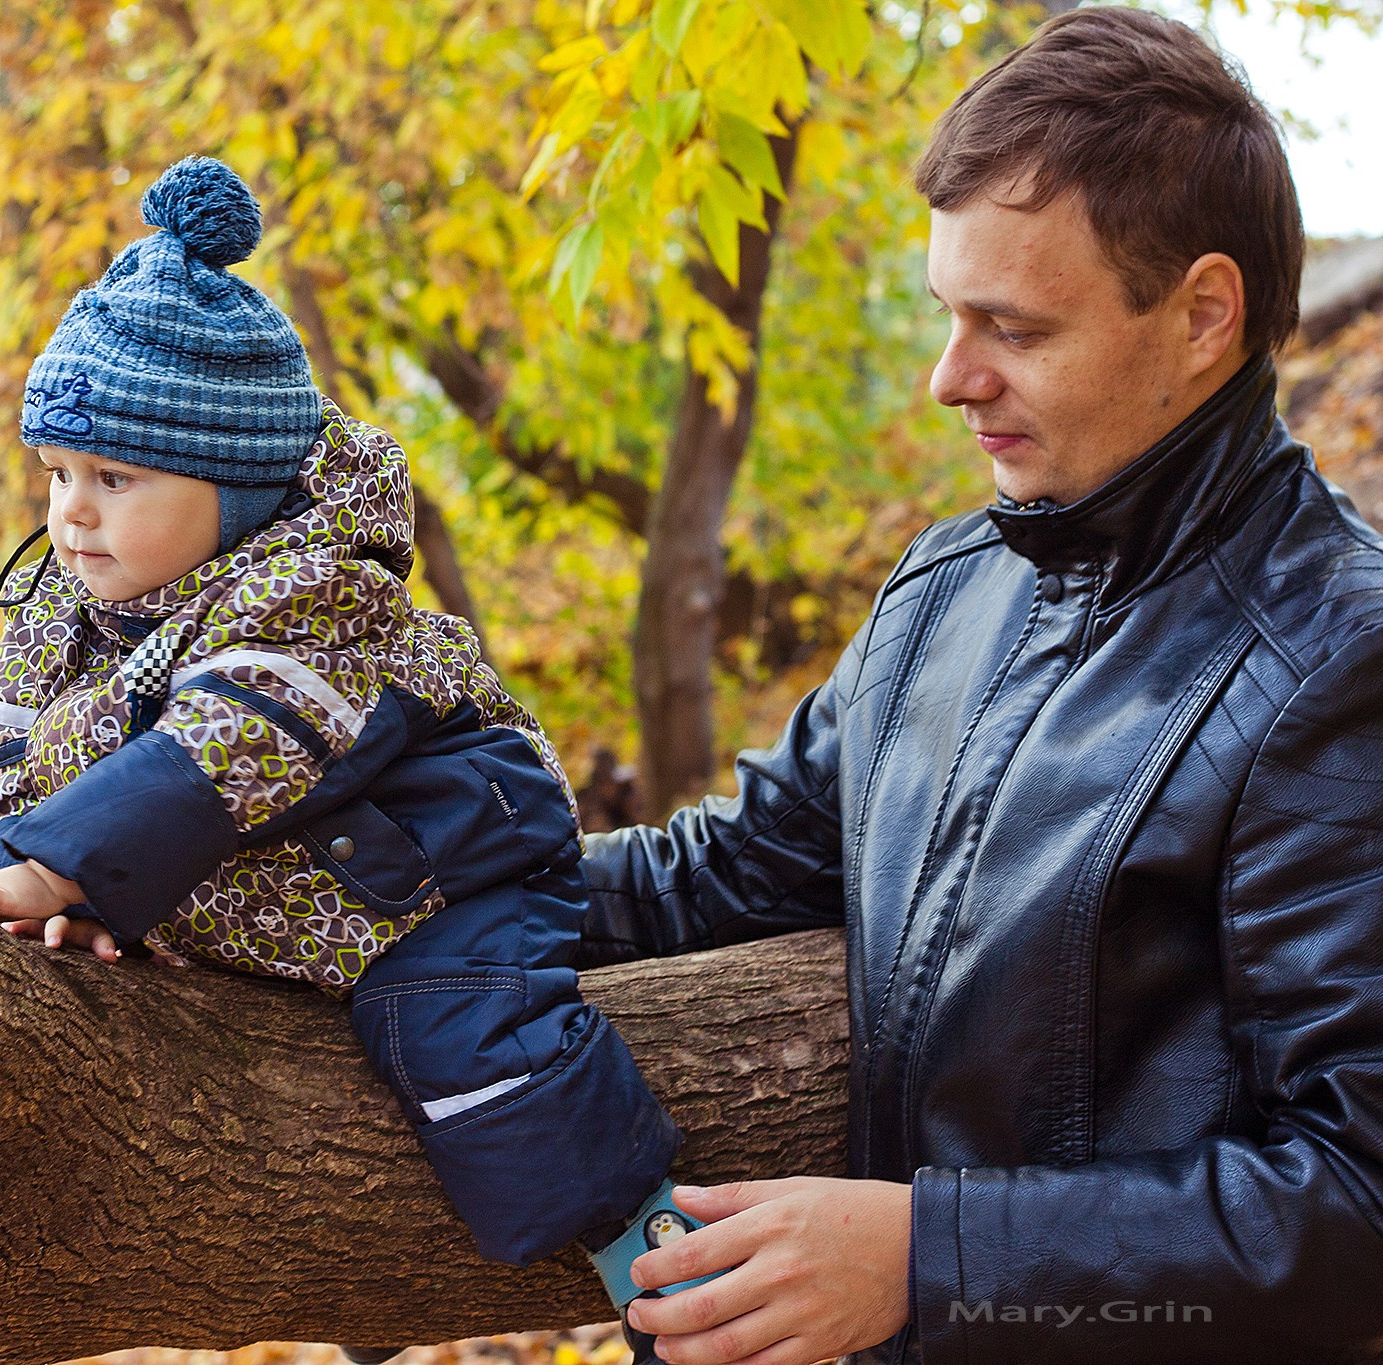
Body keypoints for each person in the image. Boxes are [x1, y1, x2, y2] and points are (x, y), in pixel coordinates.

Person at [577, 10, 1383, 1364]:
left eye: (1010, 326)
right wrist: (330, 885)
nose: (950, 377)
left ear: (1202, 316)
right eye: (952, 314)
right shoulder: (944, 593)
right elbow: (707, 877)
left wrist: (921, 1257)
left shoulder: (1339, 660)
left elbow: (1361, 1205)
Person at [0, 156, 695, 1332]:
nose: (71, 511)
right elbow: (17, 755)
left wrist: (66, 863)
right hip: (278, 897)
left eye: (116, 477)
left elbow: (234, 741)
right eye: (58, 473)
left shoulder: (315, 593)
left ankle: (665, 1270)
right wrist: (26, 886)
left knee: (461, 1040)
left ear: (237, 493)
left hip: (435, 880)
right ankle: (380, 1301)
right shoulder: (73, 611)